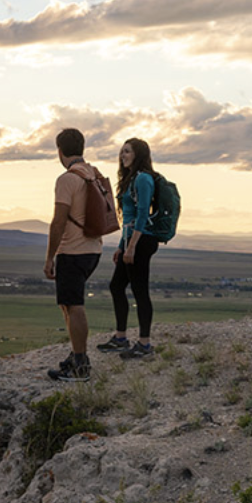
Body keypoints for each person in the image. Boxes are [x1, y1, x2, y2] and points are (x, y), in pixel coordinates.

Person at [44, 128, 103, 382]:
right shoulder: (92, 173)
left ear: (60, 150)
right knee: (68, 303)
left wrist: (50, 256)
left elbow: (58, 221)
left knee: (74, 306)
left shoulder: (67, 179)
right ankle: (77, 355)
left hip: (73, 250)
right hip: (93, 248)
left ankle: (80, 365)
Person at [97, 137, 159, 359]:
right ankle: (121, 337)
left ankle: (144, 345)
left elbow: (142, 214)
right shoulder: (131, 179)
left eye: (128, 152)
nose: (123, 156)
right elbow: (129, 219)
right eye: (122, 152)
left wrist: (131, 247)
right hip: (132, 240)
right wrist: (122, 247)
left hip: (142, 241)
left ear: (139, 155)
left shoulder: (143, 179)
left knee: (140, 290)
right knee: (116, 286)